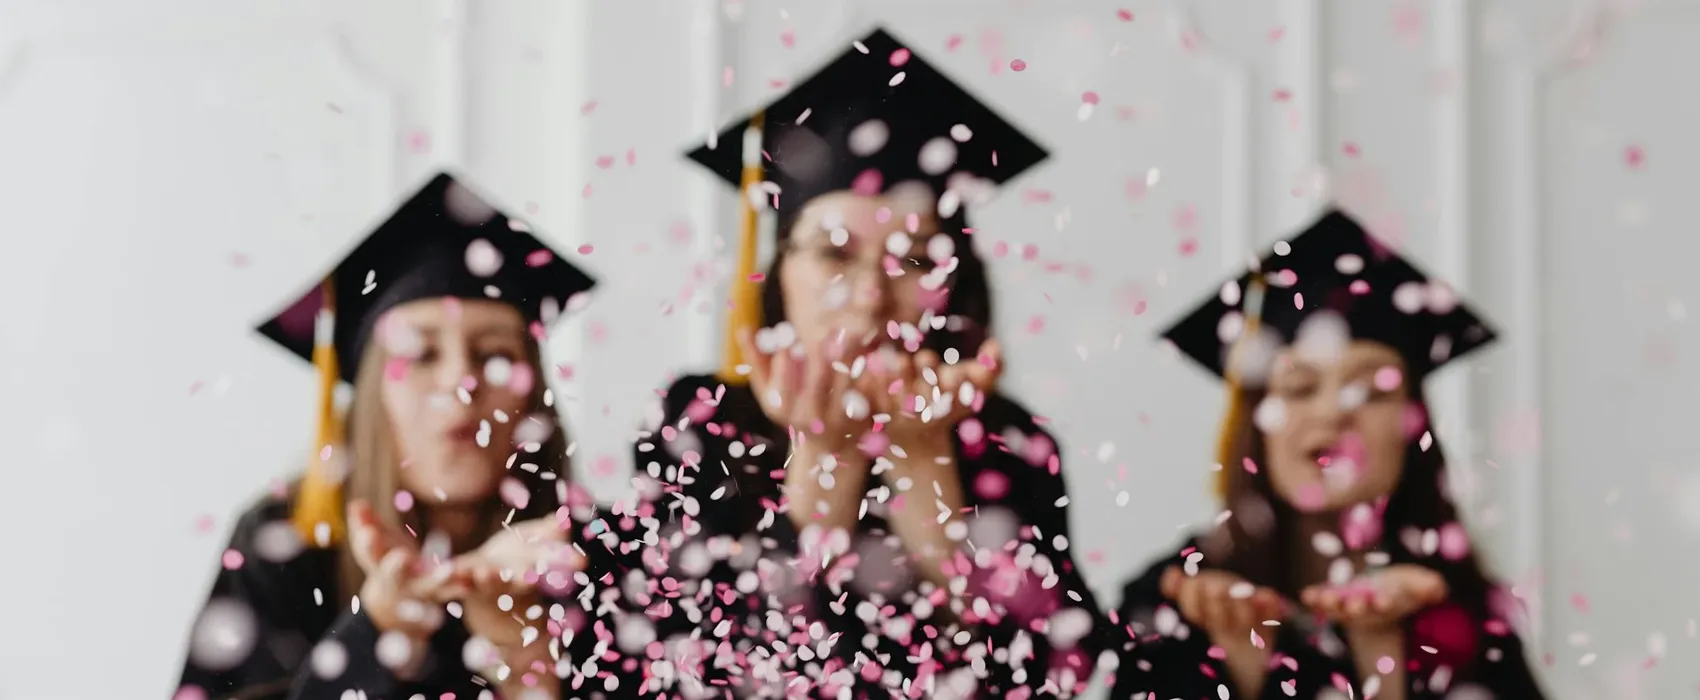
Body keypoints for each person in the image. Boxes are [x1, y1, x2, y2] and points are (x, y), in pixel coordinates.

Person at [611, 27, 1104, 699]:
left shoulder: (1011, 445)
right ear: (781, 270)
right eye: (835, 253)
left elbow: (1059, 677)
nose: (872, 295)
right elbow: (684, 671)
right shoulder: (698, 423)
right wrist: (827, 461)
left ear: (957, 286)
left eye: (917, 258)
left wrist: (922, 457)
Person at [174, 173, 638, 700]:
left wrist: (527, 664)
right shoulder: (286, 546)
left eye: (494, 355)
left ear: (533, 396)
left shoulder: (598, 557)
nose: (461, 382)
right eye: (420, 354)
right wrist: (378, 628)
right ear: (373, 396)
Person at [1108, 209, 1547, 699]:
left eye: (1373, 390)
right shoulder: (1178, 601)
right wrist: (1240, 670)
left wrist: (1381, 653)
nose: (1334, 412)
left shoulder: (1467, 615)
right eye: (1300, 387)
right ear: (1258, 426)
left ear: (1411, 425)